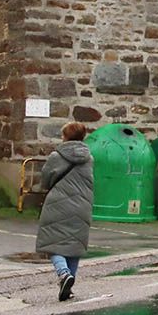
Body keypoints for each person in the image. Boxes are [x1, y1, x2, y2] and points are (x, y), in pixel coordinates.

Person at [35, 121, 95, 302]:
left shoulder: (56, 156)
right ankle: (68, 286)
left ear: (66, 136)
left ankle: (63, 273)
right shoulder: (89, 158)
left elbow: (46, 180)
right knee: (74, 246)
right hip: (83, 205)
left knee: (52, 243)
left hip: (58, 205)